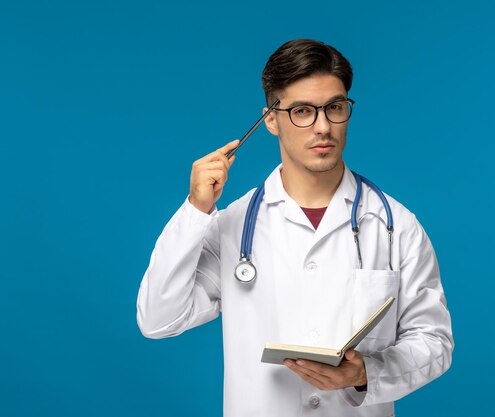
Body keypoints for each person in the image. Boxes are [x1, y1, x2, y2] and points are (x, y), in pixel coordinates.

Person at [136, 38, 453, 417]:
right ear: (271, 119)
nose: (323, 127)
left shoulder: (394, 225)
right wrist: (196, 209)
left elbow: (434, 341)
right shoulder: (234, 226)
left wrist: (365, 372)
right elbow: (158, 319)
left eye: (334, 107)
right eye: (302, 111)